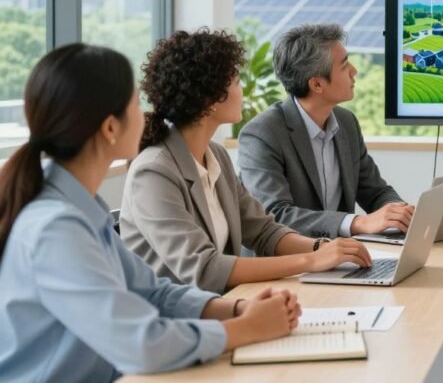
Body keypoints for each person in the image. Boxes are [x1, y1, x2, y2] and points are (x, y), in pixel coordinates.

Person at [0, 44, 300, 381]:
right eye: (134, 104)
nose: (146, 115)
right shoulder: (55, 229)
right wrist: (244, 329)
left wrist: (235, 308)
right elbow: (140, 344)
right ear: (110, 128)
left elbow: (153, 292)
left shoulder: (84, 209)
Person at [121, 29, 372, 295]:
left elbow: (263, 231)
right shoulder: (153, 172)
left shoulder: (215, 156)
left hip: (221, 306)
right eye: (237, 82)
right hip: (173, 322)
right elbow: (204, 269)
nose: (242, 91)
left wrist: (322, 248)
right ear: (210, 99)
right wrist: (311, 261)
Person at [238, 23, 414, 239]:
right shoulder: (262, 134)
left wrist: (400, 214)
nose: (354, 71)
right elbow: (276, 215)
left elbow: (375, 191)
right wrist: (359, 222)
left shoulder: (346, 122)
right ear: (317, 84)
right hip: (283, 265)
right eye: (344, 65)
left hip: (338, 260)